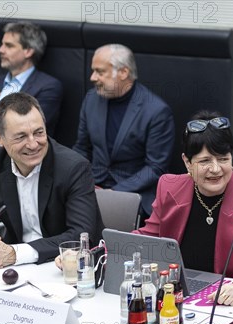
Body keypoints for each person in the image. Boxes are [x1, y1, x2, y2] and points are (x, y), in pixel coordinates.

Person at [135, 111, 233, 306]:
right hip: (175, 297)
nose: (216, 169)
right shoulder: (169, 188)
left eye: (223, 159)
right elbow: (148, 238)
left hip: (225, 305)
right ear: (187, 162)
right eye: (205, 161)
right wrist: (110, 248)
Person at [0, 92, 103, 269]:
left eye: (39, 132)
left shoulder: (73, 167)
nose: (33, 144)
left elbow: (82, 236)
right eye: (21, 137)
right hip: (13, 269)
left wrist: (15, 253)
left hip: (62, 266)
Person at [72, 44, 175, 216]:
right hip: (93, 186)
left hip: (135, 193)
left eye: (100, 71)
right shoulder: (91, 100)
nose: (92, 77)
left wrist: (115, 193)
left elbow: (156, 167)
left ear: (123, 72)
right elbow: (82, 148)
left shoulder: (156, 111)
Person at [0, 21, 63, 135]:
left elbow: (28, 128)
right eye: (2, 44)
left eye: (9, 45)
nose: (0, 50)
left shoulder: (48, 87)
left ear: (28, 51)